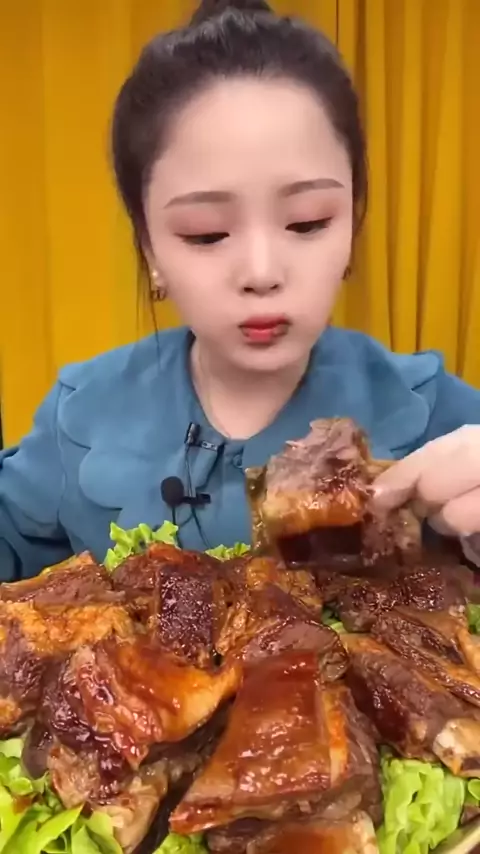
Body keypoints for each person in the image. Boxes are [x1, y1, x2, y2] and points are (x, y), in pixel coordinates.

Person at [1, 0, 479, 581]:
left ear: (352, 225)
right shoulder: (80, 415)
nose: (261, 271)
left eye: (307, 222)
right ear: (149, 247)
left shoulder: (438, 414)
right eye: (206, 233)